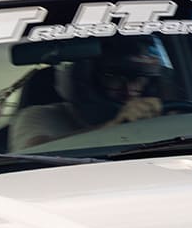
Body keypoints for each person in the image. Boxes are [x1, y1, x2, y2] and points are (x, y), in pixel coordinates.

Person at [12, 36, 168, 149]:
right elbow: (33, 154)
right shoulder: (38, 116)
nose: (129, 91)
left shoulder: (158, 116)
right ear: (85, 79)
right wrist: (116, 126)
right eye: (114, 78)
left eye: (139, 80)